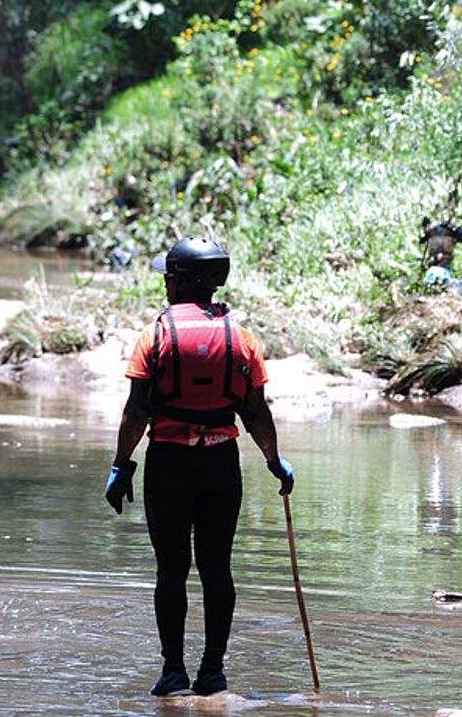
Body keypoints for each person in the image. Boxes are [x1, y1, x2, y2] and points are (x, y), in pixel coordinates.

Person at [103, 237, 294, 697]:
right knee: (217, 568)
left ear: (185, 282)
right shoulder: (242, 339)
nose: (165, 284)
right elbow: (255, 412)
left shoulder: (155, 336)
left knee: (171, 569)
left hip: (168, 464)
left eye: (169, 276)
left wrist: (121, 465)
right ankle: (212, 672)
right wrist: (273, 459)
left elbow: (136, 412)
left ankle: (173, 672)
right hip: (220, 466)